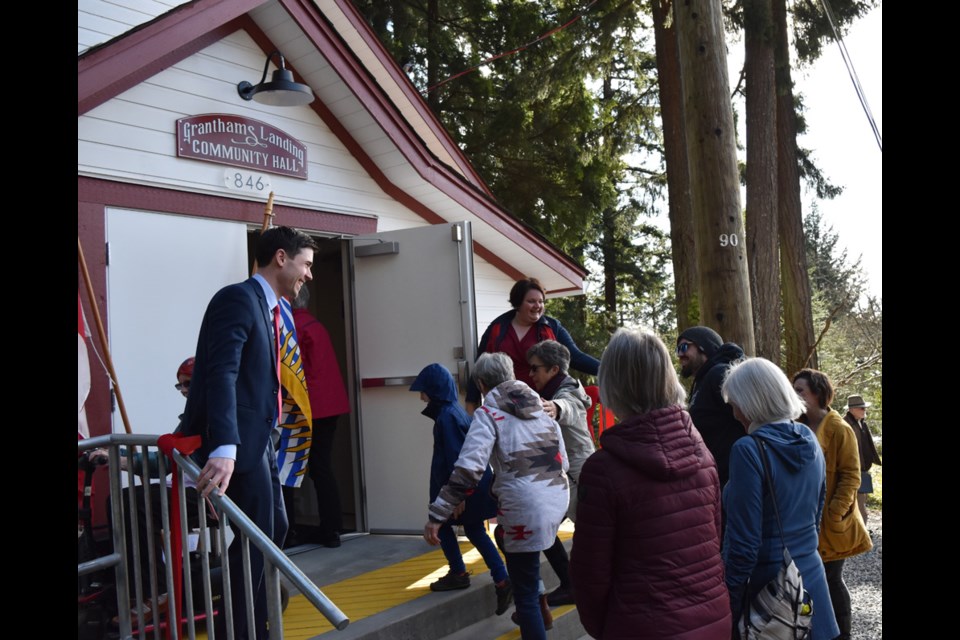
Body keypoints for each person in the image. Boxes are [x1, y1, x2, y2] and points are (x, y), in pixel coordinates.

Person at [181, 225, 317, 639]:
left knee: (271, 531)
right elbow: (222, 372)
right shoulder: (238, 298)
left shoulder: (274, 307)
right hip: (238, 444)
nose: (308, 275)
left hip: (262, 440)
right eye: (306, 264)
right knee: (260, 533)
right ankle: (242, 629)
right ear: (281, 257)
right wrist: (224, 446)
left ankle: (247, 625)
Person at [571, 328, 730, 639]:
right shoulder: (701, 452)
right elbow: (714, 538)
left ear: (612, 382)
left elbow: (589, 576)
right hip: (713, 619)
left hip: (640, 627)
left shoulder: (603, 470)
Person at [424, 353, 568, 640]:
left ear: (481, 383)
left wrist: (437, 514)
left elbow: (468, 469)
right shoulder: (541, 408)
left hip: (525, 509)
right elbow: (561, 460)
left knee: (524, 594)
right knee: (513, 549)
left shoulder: (488, 414)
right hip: (555, 501)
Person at [722, 358, 838, 640]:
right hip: (813, 589)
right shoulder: (809, 438)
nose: (734, 411)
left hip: (771, 601)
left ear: (750, 403)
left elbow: (744, 545)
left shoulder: (748, 450)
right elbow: (815, 515)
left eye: (734, 402)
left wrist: (728, 602)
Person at [410, 363, 513, 616]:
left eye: (424, 391)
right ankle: (500, 578)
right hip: (473, 487)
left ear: (434, 391)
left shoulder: (447, 417)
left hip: (463, 489)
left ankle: (460, 572)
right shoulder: (452, 412)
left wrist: (456, 497)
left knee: (443, 525)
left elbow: (458, 457)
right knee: (475, 530)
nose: (422, 397)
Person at [793, 369, 872, 640]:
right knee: (809, 579)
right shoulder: (796, 425)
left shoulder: (839, 428)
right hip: (804, 518)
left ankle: (842, 634)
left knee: (831, 578)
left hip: (831, 520)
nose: (795, 394)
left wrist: (835, 513)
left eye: (800, 390)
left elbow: (852, 475)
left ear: (817, 393)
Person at [465, 278, 599, 414]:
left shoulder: (553, 327)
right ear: (518, 303)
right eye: (531, 301)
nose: (537, 306)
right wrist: (470, 403)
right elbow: (479, 367)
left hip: (545, 404)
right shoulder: (497, 328)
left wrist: (607, 369)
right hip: (506, 406)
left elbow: (576, 358)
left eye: (541, 301)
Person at [525, 340, 593, 607]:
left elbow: (571, 407)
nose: (531, 375)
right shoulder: (554, 389)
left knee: (582, 530)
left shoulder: (566, 391)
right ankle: (571, 584)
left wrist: (556, 409)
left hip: (576, 471)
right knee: (544, 527)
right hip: (561, 471)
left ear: (553, 370)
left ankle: (575, 585)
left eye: (535, 369)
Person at [286, 286, 350, 548]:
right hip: (330, 406)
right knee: (322, 468)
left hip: (305, 408)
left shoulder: (293, 328)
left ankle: (287, 532)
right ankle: (332, 528)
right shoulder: (316, 325)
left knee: (287, 471)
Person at [676, 326, 746, 488]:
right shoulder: (703, 380)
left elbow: (753, 419)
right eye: (677, 350)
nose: (680, 355)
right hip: (716, 481)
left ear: (704, 347)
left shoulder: (719, 374)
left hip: (733, 481)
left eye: (684, 347)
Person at [843, 394, 881, 524]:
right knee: (856, 504)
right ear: (852, 410)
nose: (865, 411)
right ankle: (860, 533)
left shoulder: (861, 423)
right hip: (852, 470)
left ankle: (860, 532)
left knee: (862, 500)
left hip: (863, 469)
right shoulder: (845, 424)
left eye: (864, 408)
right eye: (862, 408)